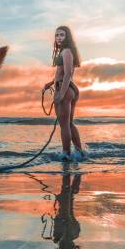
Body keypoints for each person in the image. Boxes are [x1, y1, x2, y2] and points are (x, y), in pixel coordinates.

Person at [43, 26, 84, 161]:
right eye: (57, 35)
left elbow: (67, 74)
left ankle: (66, 154)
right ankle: (79, 152)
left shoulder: (66, 51)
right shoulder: (65, 51)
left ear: (67, 37)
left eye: (62, 35)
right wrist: (50, 83)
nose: (59, 37)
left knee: (64, 125)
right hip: (67, 88)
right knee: (69, 124)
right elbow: (61, 74)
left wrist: (61, 94)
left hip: (65, 89)